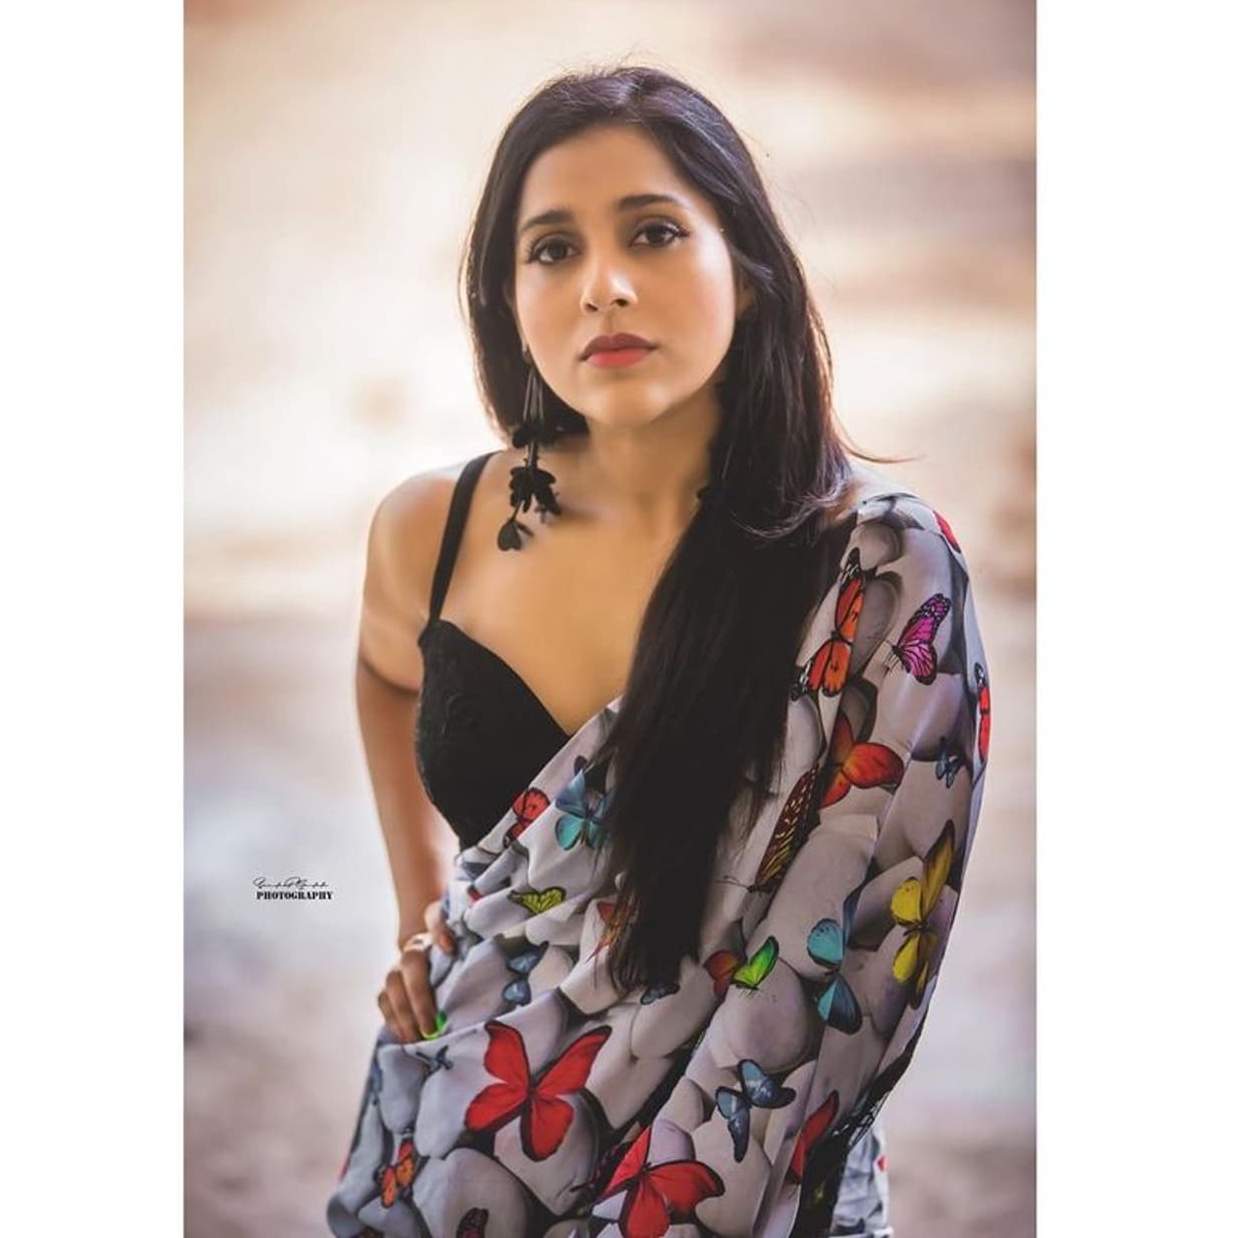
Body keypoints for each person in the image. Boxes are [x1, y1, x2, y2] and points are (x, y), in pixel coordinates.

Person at [328, 65, 990, 1238]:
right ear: (504, 299)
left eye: (651, 232)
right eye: (552, 250)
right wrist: (418, 908)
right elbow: (385, 676)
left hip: (741, 1191)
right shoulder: (434, 530)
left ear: (748, 266)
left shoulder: (879, 577)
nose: (604, 285)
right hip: (446, 1159)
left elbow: (848, 988)